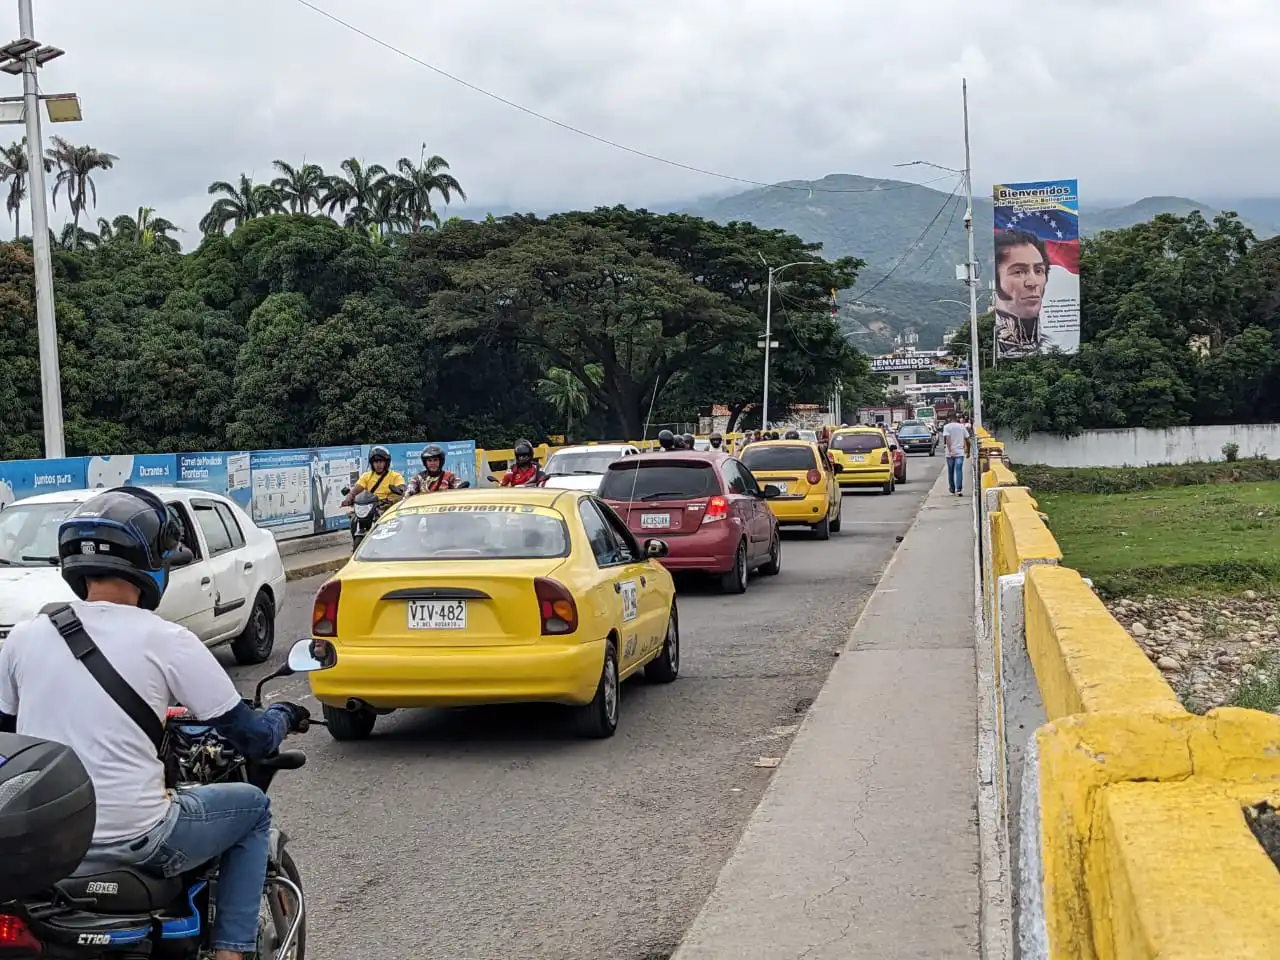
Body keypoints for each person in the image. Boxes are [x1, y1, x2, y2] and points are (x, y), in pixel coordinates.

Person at [0, 487, 309, 960]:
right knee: (252, 810)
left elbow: (9, 736)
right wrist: (282, 716)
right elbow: (248, 734)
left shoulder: (23, 638)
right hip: (136, 838)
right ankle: (231, 951)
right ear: (152, 564)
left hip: (43, 843)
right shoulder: (168, 640)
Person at [994, 229, 1050, 358]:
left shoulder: (1053, 344)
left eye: (1039, 270)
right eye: (1018, 271)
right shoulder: (991, 343)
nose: (1032, 282)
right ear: (997, 278)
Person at [942, 417, 970, 496]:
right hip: (960, 452)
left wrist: (950, 451)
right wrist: (968, 451)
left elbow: (947, 439)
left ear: (949, 419)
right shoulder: (962, 427)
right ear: (956, 418)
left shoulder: (946, 427)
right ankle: (959, 490)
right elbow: (968, 440)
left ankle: (952, 488)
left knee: (950, 471)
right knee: (959, 470)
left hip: (950, 453)